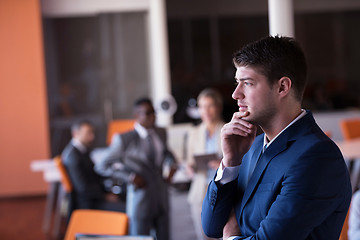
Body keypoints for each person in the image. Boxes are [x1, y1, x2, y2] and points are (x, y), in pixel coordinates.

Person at [201, 36, 352, 240]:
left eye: (247, 83)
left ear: (282, 87)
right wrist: (230, 162)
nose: (236, 94)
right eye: (237, 83)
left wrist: (231, 237)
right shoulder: (250, 147)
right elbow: (211, 227)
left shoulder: (317, 157)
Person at [96, 97, 177, 240]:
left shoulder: (161, 132)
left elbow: (167, 154)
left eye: (153, 112)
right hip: (140, 199)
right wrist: (130, 177)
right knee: (139, 237)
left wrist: (172, 166)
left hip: (161, 197)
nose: (152, 117)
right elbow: (102, 166)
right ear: (136, 115)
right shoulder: (124, 139)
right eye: (147, 113)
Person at [186, 88, 224, 240]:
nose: (206, 111)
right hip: (200, 191)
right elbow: (189, 160)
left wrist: (223, 164)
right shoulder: (193, 133)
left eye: (210, 106)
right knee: (203, 236)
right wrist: (189, 168)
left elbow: (242, 161)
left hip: (223, 191)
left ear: (218, 107)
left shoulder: (228, 130)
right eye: (202, 106)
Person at [62, 120, 124, 212]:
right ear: (76, 133)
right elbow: (83, 188)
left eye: (92, 133)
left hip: (95, 196)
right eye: (88, 133)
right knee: (127, 208)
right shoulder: (73, 157)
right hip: (89, 203)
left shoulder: (81, 151)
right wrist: (105, 196)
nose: (92, 137)